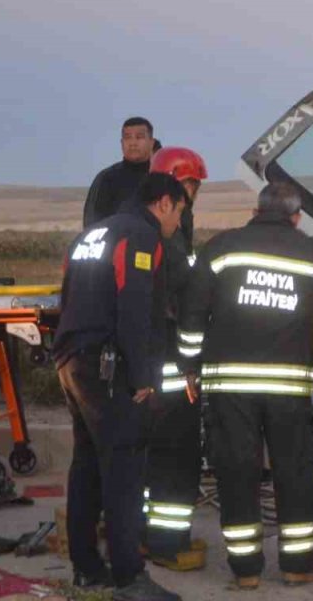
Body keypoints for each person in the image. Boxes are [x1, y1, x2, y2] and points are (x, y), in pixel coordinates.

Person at [177, 182, 313, 591]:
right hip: (287, 388)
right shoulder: (308, 251)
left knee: (236, 472)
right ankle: (297, 564)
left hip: (229, 386)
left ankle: (246, 571)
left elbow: (192, 312)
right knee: (293, 472)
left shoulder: (222, 248)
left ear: (254, 211)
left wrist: (189, 365)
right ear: (296, 216)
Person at [53, 173, 187, 601]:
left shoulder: (91, 234)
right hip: (109, 368)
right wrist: (144, 377)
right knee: (124, 469)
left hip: (73, 359)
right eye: (180, 213)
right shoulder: (141, 237)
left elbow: (68, 295)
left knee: (88, 464)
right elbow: (134, 307)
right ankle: (130, 577)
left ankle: (87, 567)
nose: (178, 223)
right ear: (164, 203)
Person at [140, 147, 209, 571]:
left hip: (152, 365)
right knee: (175, 456)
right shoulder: (165, 235)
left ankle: (146, 534)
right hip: (169, 367)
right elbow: (183, 296)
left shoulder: (162, 229)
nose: (193, 194)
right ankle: (166, 541)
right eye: (189, 185)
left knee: (151, 457)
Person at [83, 117, 155, 227]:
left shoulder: (161, 178)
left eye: (139, 137)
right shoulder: (106, 179)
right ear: (121, 143)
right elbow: (92, 224)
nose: (133, 143)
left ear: (151, 142)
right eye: (127, 138)